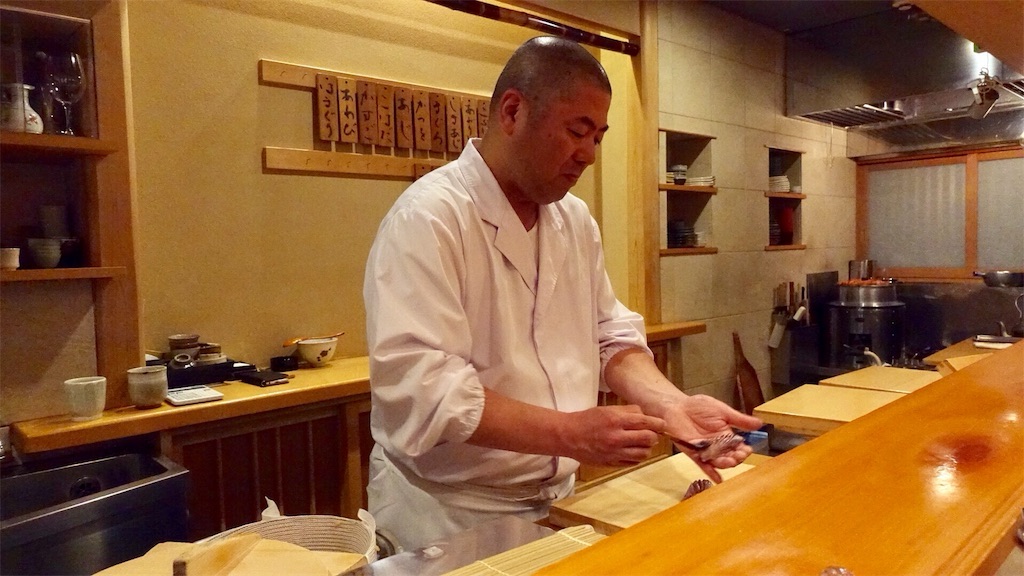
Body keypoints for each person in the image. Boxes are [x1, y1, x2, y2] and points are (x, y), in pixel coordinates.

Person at [363, 36, 762, 549]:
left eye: (598, 137)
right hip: (447, 513)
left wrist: (672, 407)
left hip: (558, 502)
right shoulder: (429, 218)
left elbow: (608, 335)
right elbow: (426, 388)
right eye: (578, 132)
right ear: (513, 111)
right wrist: (570, 433)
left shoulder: (573, 220)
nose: (589, 155)